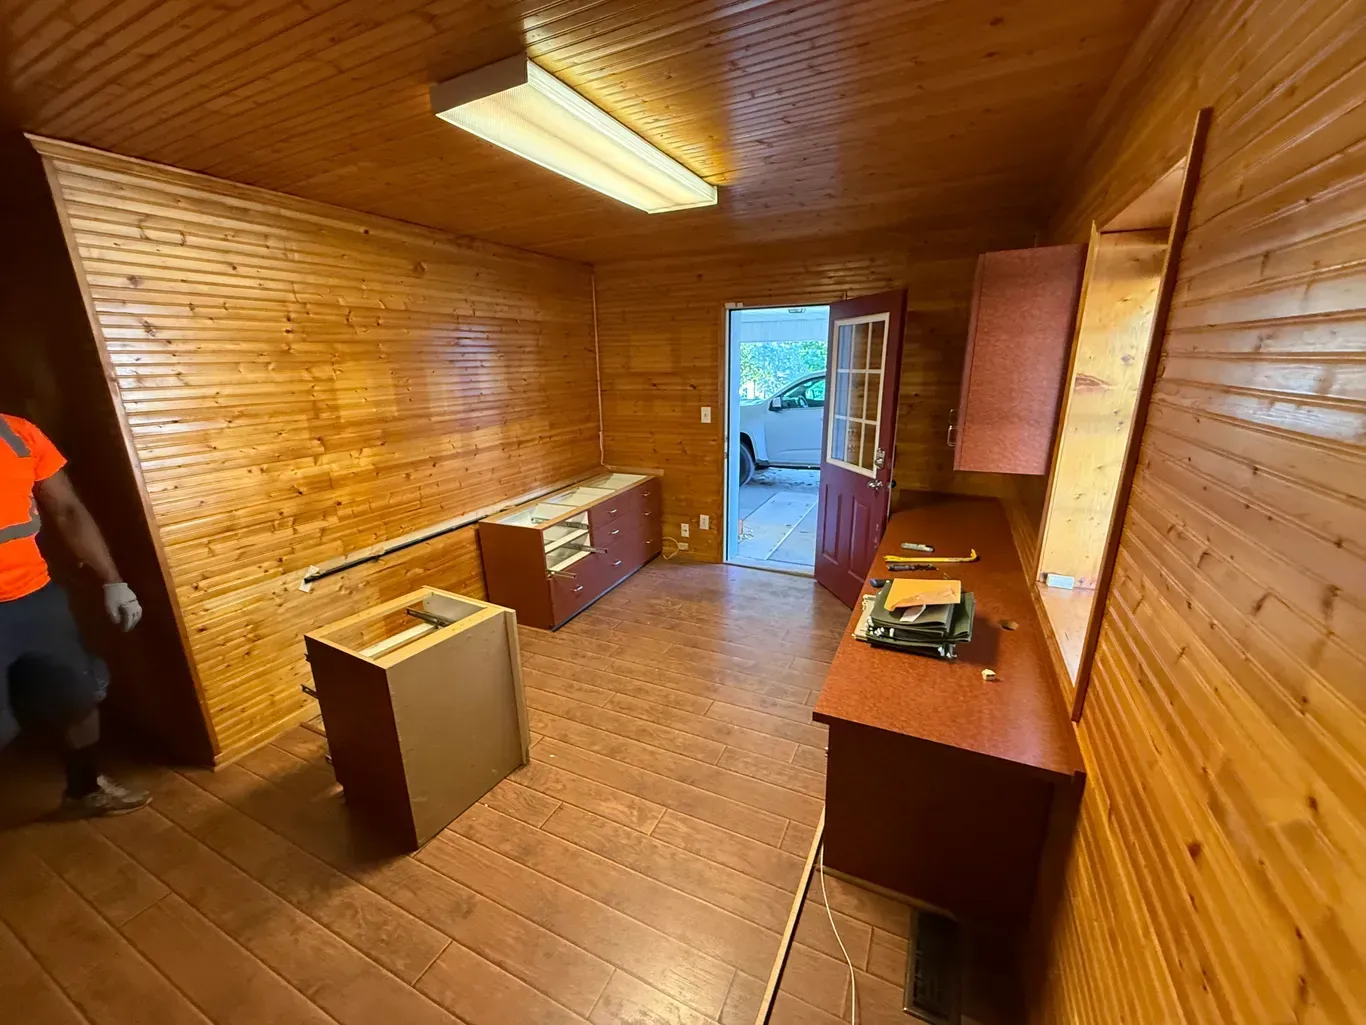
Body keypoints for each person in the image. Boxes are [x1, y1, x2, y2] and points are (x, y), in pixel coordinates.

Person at [0, 412, 150, 815]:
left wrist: (112, 581)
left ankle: (84, 791)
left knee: (78, 697)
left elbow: (67, 508)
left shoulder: (18, 432)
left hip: (37, 598)